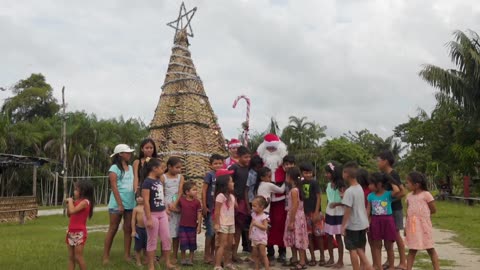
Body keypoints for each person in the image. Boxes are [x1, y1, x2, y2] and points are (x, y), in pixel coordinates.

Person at [257, 134, 290, 264]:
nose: (271, 150)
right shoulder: (260, 162)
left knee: (281, 225)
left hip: (281, 199)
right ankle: (269, 251)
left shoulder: (285, 163)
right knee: (267, 226)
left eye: (273, 148)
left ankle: (282, 251)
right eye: (268, 148)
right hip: (265, 202)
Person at [103, 144, 136, 264]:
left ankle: (127, 256)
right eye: (127, 152)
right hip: (117, 204)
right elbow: (114, 187)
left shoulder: (131, 168)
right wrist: (120, 204)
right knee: (113, 228)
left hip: (131, 203)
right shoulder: (114, 168)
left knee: (128, 229)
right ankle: (105, 257)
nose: (130, 154)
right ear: (120, 154)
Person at [141, 158, 176, 270]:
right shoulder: (147, 182)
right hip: (152, 214)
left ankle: (167, 263)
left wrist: (165, 209)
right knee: (152, 239)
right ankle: (151, 265)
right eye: (161, 168)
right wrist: (149, 218)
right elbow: (146, 201)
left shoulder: (159, 180)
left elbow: (161, 197)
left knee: (166, 238)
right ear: (154, 169)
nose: (163, 169)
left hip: (162, 213)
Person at [340, 162, 374, 270]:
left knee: (352, 250)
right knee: (359, 248)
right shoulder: (359, 188)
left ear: (346, 174)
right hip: (362, 223)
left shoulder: (349, 192)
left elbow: (347, 210)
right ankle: (369, 267)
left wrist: (343, 225)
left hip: (352, 225)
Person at [377, 150, 407, 270]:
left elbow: (401, 192)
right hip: (386, 210)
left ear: (385, 161)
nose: (377, 163)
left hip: (395, 209)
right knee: (388, 236)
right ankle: (390, 261)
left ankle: (403, 262)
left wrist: (388, 201)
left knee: (396, 235)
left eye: (378, 160)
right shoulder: (384, 175)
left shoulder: (393, 174)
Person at [367, 172, 402, 270]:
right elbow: (368, 210)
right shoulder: (370, 196)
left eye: (371, 183)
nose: (369, 186)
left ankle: (391, 266)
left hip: (388, 221)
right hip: (375, 221)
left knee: (389, 246)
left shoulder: (388, 194)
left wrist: (389, 179)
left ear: (378, 184)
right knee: (377, 245)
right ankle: (379, 266)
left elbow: (397, 190)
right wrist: (367, 221)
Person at [405, 172, 440, 270]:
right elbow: (408, 212)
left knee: (430, 248)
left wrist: (423, 216)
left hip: (424, 227)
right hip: (412, 227)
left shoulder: (426, 195)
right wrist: (405, 227)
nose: (406, 185)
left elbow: (433, 209)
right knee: (412, 249)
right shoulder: (409, 196)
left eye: (408, 183)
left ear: (416, 184)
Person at [299, 162, 325, 266]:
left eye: (310, 173)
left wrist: (316, 212)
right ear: (302, 173)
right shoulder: (300, 183)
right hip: (305, 213)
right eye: (306, 173)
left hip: (314, 212)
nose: (308, 175)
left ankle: (322, 256)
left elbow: (319, 197)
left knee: (318, 236)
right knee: (308, 236)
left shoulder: (314, 183)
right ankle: (312, 258)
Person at [283, 167, 309, 270]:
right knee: (293, 238)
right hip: (296, 216)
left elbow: (294, 206)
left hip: (295, 217)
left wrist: (292, 221)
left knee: (299, 239)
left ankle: (302, 261)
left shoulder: (294, 190)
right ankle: (294, 258)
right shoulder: (296, 189)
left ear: (290, 177)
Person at [229, 145, 251, 262]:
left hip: (244, 201)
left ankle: (234, 254)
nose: (248, 159)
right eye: (245, 157)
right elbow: (228, 184)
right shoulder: (233, 168)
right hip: (233, 201)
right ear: (239, 157)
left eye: (249, 157)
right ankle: (226, 254)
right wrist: (233, 198)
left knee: (238, 228)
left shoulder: (249, 169)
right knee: (229, 228)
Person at [66, 179, 94, 270]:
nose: (74, 191)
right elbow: (69, 214)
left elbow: (72, 210)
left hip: (79, 232)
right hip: (71, 231)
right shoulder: (77, 201)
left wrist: (70, 201)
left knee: (78, 257)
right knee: (71, 257)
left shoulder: (85, 202)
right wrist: (69, 204)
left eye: (76, 189)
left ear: (82, 191)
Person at [202, 154, 224, 264]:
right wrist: (204, 205)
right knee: (210, 232)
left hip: (220, 208)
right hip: (210, 208)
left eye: (220, 163)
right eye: (215, 163)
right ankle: (207, 255)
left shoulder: (224, 175)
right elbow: (204, 190)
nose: (218, 165)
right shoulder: (209, 175)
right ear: (210, 165)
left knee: (217, 233)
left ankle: (214, 254)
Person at [162, 157, 185, 263]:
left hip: (177, 204)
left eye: (180, 167)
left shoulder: (181, 177)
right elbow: (161, 192)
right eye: (177, 167)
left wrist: (175, 204)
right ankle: (164, 255)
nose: (179, 170)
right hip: (165, 205)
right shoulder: (163, 177)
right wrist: (166, 206)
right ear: (169, 167)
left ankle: (175, 255)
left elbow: (180, 191)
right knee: (165, 232)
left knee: (176, 232)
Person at [214, 169, 237, 270]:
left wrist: (233, 196)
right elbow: (217, 212)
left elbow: (235, 206)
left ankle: (228, 263)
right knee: (222, 245)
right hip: (223, 224)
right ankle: (218, 265)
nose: (233, 183)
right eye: (231, 181)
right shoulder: (220, 196)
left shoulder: (231, 196)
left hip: (231, 224)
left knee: (229, 245)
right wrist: (217, 224)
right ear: (225, 184)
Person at [324, 161, 345, 268]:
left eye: (328, 172)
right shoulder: (328, 185)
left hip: (338, 212)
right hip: (329, 212)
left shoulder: (340, 186)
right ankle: (331, 258)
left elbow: (345, 201)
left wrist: (336, 204)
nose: (326, 175)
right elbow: (328, 199)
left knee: (338, 236)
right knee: (328, 235)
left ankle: (340, 260)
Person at [177, 181, 202, 266]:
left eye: (196, 190)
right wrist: (171, 208)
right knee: (183, 243)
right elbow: (178, 209)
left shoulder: (197, 202)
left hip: (192, 226)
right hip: (183, 226)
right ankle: (183, 259)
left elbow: (199, 214)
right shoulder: (181, 200)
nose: (196, 191)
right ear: (187, 192)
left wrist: (199, 226)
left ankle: (191, 259)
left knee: (192, 244)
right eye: (194, 190)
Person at [249, 196, 271, 270]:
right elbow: (251, 224)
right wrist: (250, 233)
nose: (253, 208)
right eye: (252, 206)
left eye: (255, 206)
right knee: (255, 255)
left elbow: (265, 227)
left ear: (261, 207)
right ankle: (256, 268)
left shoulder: (264, 217)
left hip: (261, 238)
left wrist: (256, 224)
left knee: (263, 254)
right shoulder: (253, 215)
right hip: (254, 237)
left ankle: (267, 268)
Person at [131, 196, 147, 267]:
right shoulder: (136, 209)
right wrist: (133, 230)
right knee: (138, 246)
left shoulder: (147, 207)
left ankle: (146, 259)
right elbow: (133, 220)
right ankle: (138, 261)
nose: (139, 198)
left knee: (146, 246)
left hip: (147, 230)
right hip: (139, 229)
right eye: (138, 197)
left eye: (141, 197)